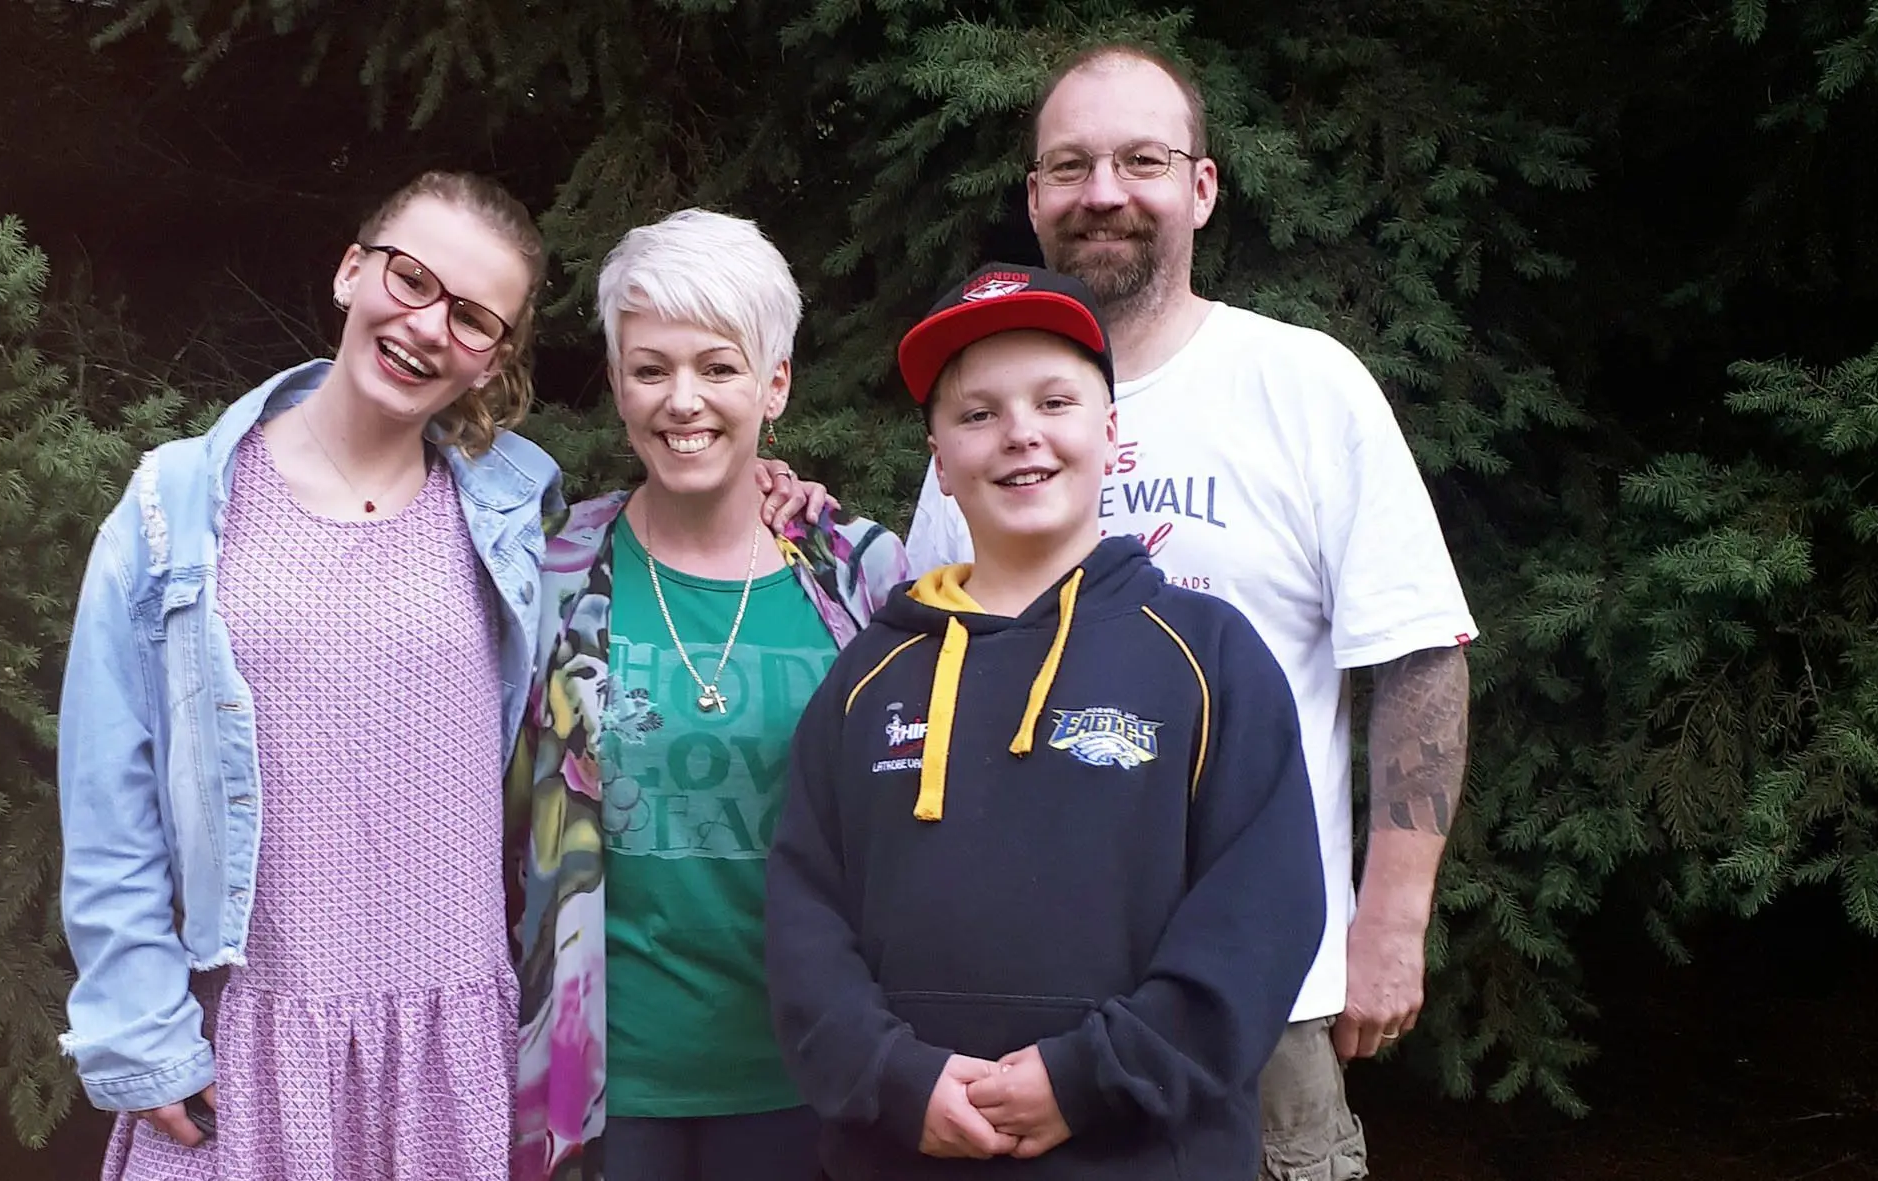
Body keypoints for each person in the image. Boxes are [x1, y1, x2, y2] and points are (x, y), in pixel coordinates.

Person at [56, 173, 822, 1181]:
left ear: (494, 356)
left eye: (471, 316)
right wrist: (136, 1027)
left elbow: (676, 537)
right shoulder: (179, 507)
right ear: (350, 270)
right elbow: (109, 790)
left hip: (453, 1049)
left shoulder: (517, 522)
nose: (426, 325)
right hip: (250, 1048)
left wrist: (769, 488)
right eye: (411, 279)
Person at [904, 45, 1478, 1180]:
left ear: (1201, 187)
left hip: (1255, 998)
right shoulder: (980, 419)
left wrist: (1389, 922)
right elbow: (931, 668)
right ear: (1034, 199)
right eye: (1069, 166)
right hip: (1023, 1001)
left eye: (1140, 160)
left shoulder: (1303, 385)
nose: (1103, 191)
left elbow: (1416, 656)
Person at [767, 261, 1324, 1179]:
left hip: (1145, 1152)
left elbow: (1261, 915)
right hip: (903, 1151)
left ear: (1110, 434)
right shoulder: (869, 672)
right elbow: (803, 914)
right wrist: (893, 1075)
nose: (1019, 433)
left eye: (1053, 401)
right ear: (940, 460)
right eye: (977, 414)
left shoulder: (1206, 656)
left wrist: (1088, 1077)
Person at [507, 208, 912, 1181]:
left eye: (718, 367)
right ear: (614, 381)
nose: (682, 400)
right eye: (651, 369)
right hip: (600, 1088)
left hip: (809, 1077)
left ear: (774, 382)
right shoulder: (551, 567)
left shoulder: (860, 577)